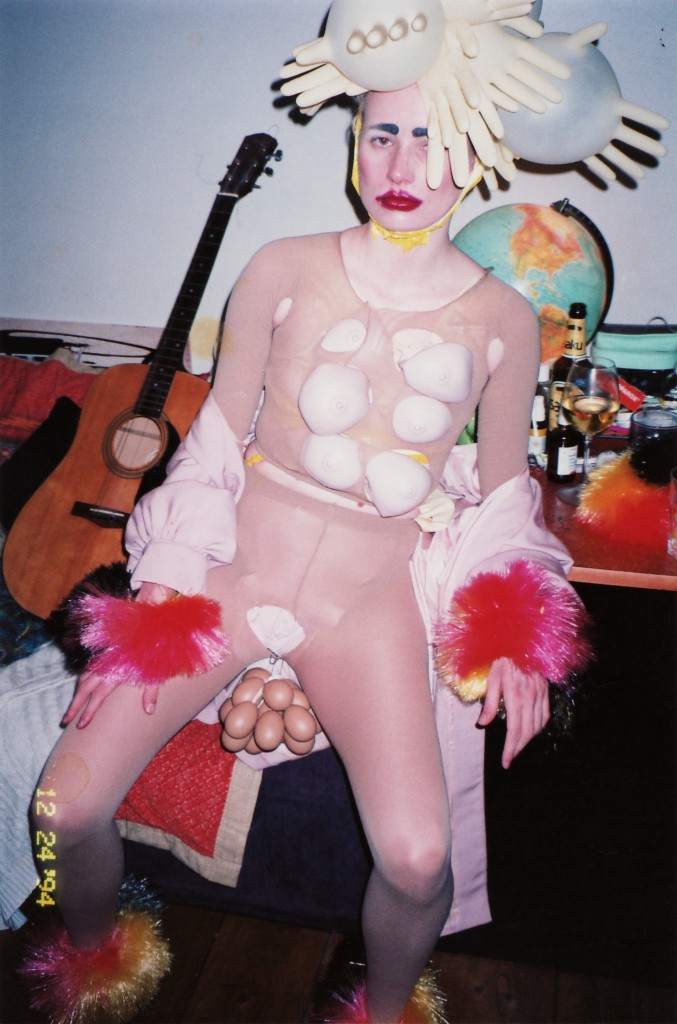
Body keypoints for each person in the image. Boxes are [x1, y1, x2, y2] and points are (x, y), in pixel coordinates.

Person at [21, 83, 589, 1024]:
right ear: (354, 144)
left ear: (477, 157)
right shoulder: (281, 263)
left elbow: (501, 496)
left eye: (431, 140)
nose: (401, 166)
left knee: (417, 859)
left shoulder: (504, 316)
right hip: (233, 573)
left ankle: (384, 1009)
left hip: (366, 602)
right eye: (382, 135)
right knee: (61, 807)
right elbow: (213, 438)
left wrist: (515, 633)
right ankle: (90, 966)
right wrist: (161, 590)